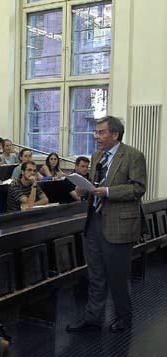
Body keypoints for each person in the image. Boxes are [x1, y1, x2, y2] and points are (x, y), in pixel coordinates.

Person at [66, 116, 146, 333]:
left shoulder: (133, 156)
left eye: (101, 132)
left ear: (115, 134)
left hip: (119, 224)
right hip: (94, 221)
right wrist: (85, 190)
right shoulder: (97, 155)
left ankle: (124, 317)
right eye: (96, 132)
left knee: (117, 276)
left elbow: (138, 188)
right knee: (96, 275)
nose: (96, 136)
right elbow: (95, 186)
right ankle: (93, 317)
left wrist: (108, 192)